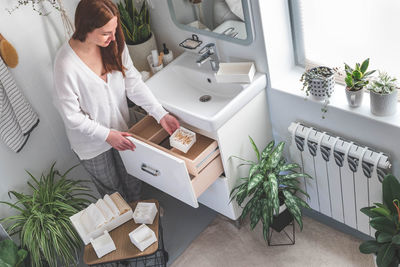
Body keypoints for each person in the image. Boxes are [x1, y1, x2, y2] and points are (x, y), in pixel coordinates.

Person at [53, 0, 179, 202]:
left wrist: (160, 113)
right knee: (113, 193)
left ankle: (143, 216)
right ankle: (129, 226)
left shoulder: (115, 44)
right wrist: (106, 135)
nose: (113, 37)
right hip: (91, 144)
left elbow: (134, 84)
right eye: (105, 33)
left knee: (133, 177)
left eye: (114, 30)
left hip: (122, 128)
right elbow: (71, 116)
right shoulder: (66, 64)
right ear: (85, 27)